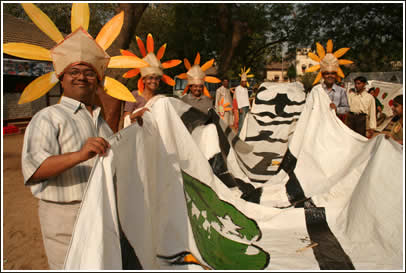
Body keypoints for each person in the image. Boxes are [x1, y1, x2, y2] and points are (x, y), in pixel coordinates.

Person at [15, 3, 147, 269]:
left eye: (89, 73)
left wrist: (140, 132)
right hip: (64, 215)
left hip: (101, 211)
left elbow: (115, 160)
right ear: (61, 79)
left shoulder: (101, 121)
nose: (82, 78)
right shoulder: (48, 118)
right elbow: (34, 168)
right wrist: (79, 155)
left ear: (98, 81)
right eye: (74, 72)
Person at [123, 34, 181, 127]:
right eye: (150, 78)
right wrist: (138, 114)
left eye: (157, 78)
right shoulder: (133, 95)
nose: (153, 81)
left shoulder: (160, 100)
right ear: (144, 80)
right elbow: (126, 119)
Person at [305, 39, 353, 122]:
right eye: (327, 73)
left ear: (336, 75)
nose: (330, 76)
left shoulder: (341, 91)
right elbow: (308, 108)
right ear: (322, 75)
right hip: (318, 124)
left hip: (335, 124)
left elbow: (346, 108)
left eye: (333, 73)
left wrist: (337, 109)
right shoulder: (316, 90)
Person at [235, 67, 254, 135]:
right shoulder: (238, 88)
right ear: (241, 82)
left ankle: (244, 134)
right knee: (241, 122)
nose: (245, 83)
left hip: (246, 106)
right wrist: (239, 108)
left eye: (246, 82)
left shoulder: (246, 89)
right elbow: (238, 98)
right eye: (244, 82)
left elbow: (247, 98)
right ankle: (239, 135)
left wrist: (249, 107)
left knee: (246, 121)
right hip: (242, 107)